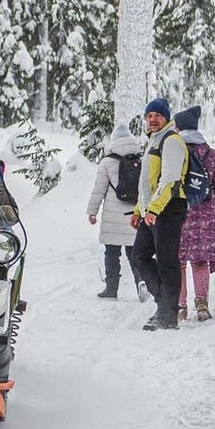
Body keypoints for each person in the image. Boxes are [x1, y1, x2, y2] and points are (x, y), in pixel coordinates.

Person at [131, 97, 192, 331]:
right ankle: (164, 304)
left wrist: (154, 209)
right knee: (140, 255)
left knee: (167, 262)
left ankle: (168, 314)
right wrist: (139, 209)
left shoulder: (172, 140)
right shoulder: (153, 141)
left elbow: (170, 178)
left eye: (157, 115)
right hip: (151, 211)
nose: (153, 119)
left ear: (166, 117)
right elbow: (146, 182)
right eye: (149, 116)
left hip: (169, 209)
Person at [175, 104, 215, 321]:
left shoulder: (175, 149)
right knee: (200, 261)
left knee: (178, 260)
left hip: (180, 211)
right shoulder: (210, 152)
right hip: (206, 211)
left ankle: (180, 306)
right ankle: (202, 304)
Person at [87, 126, 153, 300]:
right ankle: (141, 283)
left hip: (112, 216)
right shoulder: (143, 158)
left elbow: (98, 190)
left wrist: (92, 211)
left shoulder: (107, 162)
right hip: (135, 213)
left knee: (111, 252)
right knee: (134, 252)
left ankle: (111, 289)